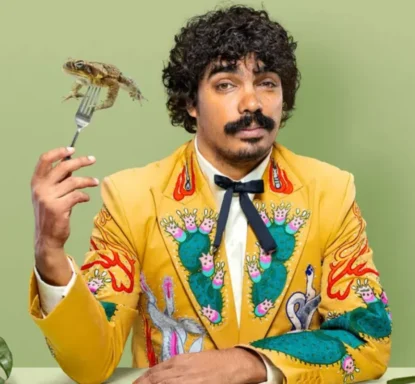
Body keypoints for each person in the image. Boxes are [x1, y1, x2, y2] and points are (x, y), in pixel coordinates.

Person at [29, 5, 392, 384]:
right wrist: (49, 253)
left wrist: (250, 363)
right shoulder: (132, 199)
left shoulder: (330, 193)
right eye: (225, 84)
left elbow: (367, 338)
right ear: (190, 102)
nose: (252, 103)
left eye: (267, 82)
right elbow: (90, 364)